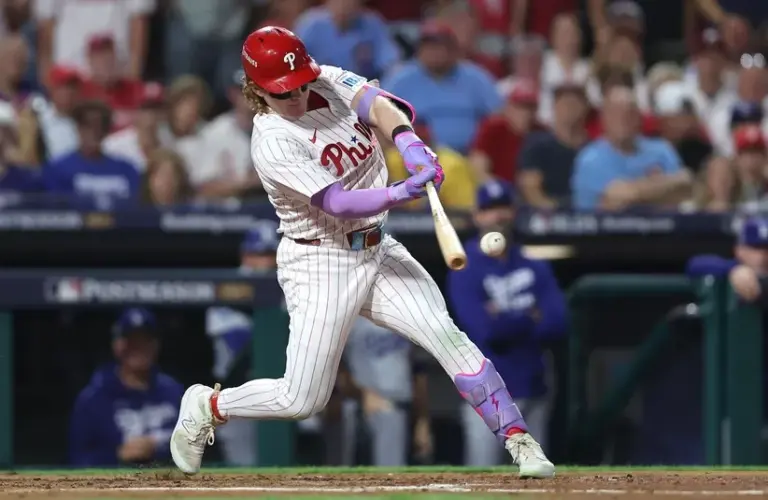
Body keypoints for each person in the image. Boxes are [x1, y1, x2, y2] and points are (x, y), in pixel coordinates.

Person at [169, 26, 555, 479]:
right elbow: (336, 202)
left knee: (446, 337)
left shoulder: (323, 78)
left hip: (377, 248)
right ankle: (209, 404)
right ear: (255, 89)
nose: (296, 94)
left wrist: (409, 142)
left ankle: (518, 439)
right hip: (321, 260)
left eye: (299, 83)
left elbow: (380, 105)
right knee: (302, 399)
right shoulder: (272, 139)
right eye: (283, 90)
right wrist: (400, 191)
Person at [447, 180, 567, 466]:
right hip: (486, 396)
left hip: (533, 387)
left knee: (536, 478)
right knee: (483, 483)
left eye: (503, 208)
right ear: (476, 216)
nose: (497, 216)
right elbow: (485, 332)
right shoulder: (463, 266)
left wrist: (504, 317)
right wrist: (529, 315)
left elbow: (558, 323)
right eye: (489, 210)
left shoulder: (534, 264)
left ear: (513, 213)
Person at [69, 308, 183, 467]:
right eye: (132, 342)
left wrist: (157, 449)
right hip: (115, 486)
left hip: (170, 484)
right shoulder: (94, 398)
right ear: (117, 345)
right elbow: (77, 460)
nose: (139, 348)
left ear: (156, 345)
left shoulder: (174, 391)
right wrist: (117, 455)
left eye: (145, 341)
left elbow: (199, 447)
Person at [205, 226, 279, 467]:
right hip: (238, 393)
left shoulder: (291, 286)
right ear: (245, 257)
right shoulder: (226, 291)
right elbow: (245, 347)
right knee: (245, 470)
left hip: (280, 392)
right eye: (260, 255)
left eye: (271, 255)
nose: (267, 262)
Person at [571, 86, 693, 211]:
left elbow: (686, 185)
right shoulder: (590, 159)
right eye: (616, 113)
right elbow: (622, 196)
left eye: (630, 112)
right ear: (603, 119)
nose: (623, 119)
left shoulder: (661, 149)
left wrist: (636, 192)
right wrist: (662, 186)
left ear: (639, 117)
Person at [343, 314, 433, 466]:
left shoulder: (406, 312)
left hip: (400, 407)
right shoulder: (346, 309)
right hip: (356, 407)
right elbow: (332, 366)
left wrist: (422, 420)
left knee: (393, 477)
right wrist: (361, 394)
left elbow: (418, 372)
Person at [43, 100, 140, 207]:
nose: (94, 131)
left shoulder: (126, 170)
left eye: (101, 126)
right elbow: (58, 211)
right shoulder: (59, 169)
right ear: (78, 128)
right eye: (88, 125)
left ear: (106, 131)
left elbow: (135, 208)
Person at [517, 83, 589, 209]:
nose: (569, 110)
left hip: (589, 214)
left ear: (585, 108)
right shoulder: (537, 145)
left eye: (574, 104)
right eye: (564, 104)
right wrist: (552, 212)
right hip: (550, 213)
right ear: (554, 107)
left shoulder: (592, 149)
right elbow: (530, 187)